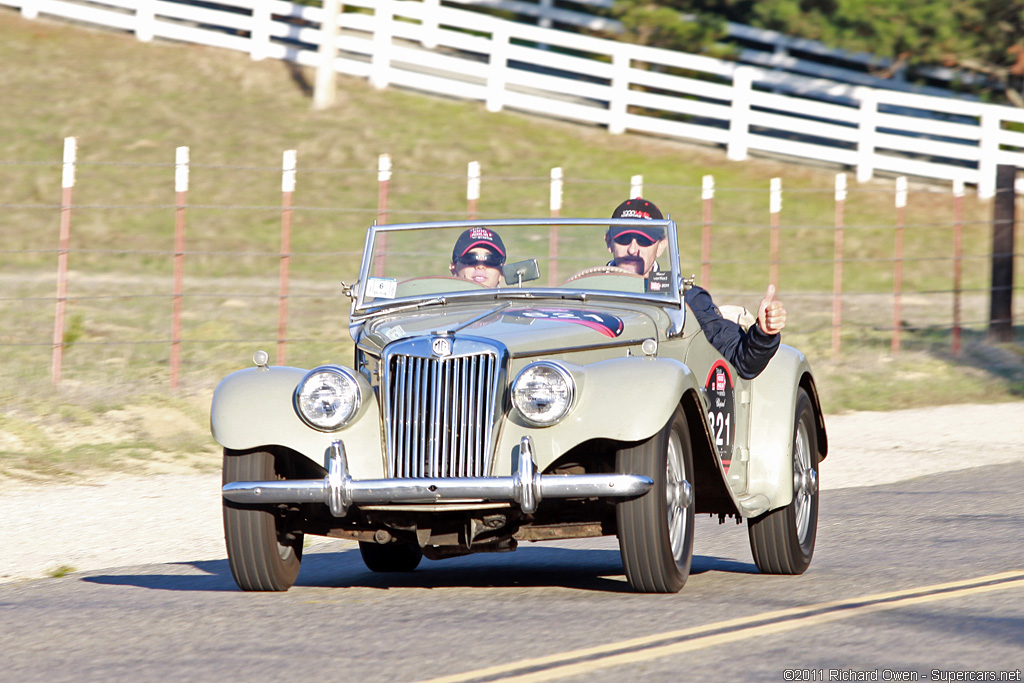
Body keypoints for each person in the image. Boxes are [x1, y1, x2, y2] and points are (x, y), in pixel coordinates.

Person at [609, 197, 786, 379]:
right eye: (623, 238)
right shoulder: (580, 293)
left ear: (661, 246)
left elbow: (740, 359)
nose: (632, 249)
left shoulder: (685, 297)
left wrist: (763, 333)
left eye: (643, 240)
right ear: (609, 241)